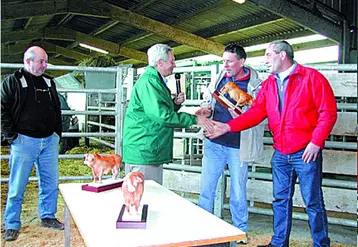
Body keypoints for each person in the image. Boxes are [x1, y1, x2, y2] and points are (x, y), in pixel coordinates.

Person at [206, 40, 337, 247]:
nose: (265, 60)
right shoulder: (269, 84)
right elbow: (256, 113)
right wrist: (229, 126)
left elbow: (327, 113)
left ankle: (321, 244)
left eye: (268, 55)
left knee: (313, 202)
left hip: (306, 151)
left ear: (282, 55)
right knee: (280, 200)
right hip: (281, 152)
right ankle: (278, 243)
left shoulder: (312, 78)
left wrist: (316, 142)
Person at [195, 44, 265, 244]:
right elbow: (208, 101)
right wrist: (205, 109)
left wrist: (242, 116)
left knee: (238, 190)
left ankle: (240, 230)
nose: (225, 65)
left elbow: (260, 116)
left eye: (229, 61)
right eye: (223, 60)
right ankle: (200, 227)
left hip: (238, 145)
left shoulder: (256, 85)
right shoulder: (219, 78)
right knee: (207, 186)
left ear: (242, 62)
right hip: (214, 141)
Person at [122, 43, 213, 185]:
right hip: (145, 148)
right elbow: (161, 115)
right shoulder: (149, 82)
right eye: (172, 61)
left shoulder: (155, 80)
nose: (174, 65)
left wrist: (174, 103)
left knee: (148, 195)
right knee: (144, 196)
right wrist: (195, 120)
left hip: (149, 146)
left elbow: (155, 110)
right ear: (160, 62)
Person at [1, 46, 64, 242]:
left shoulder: (48, 82)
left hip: (48, 141)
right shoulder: (12, 82)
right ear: (28, 61)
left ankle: (47, 216)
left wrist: (56, 134)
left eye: (45, 61)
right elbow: (2, 110)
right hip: (24, 141)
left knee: (50, 182)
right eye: (41, 61)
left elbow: (57, 108)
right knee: (17, 185)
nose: (45, 65)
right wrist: (12, 136)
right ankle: (11, 224)